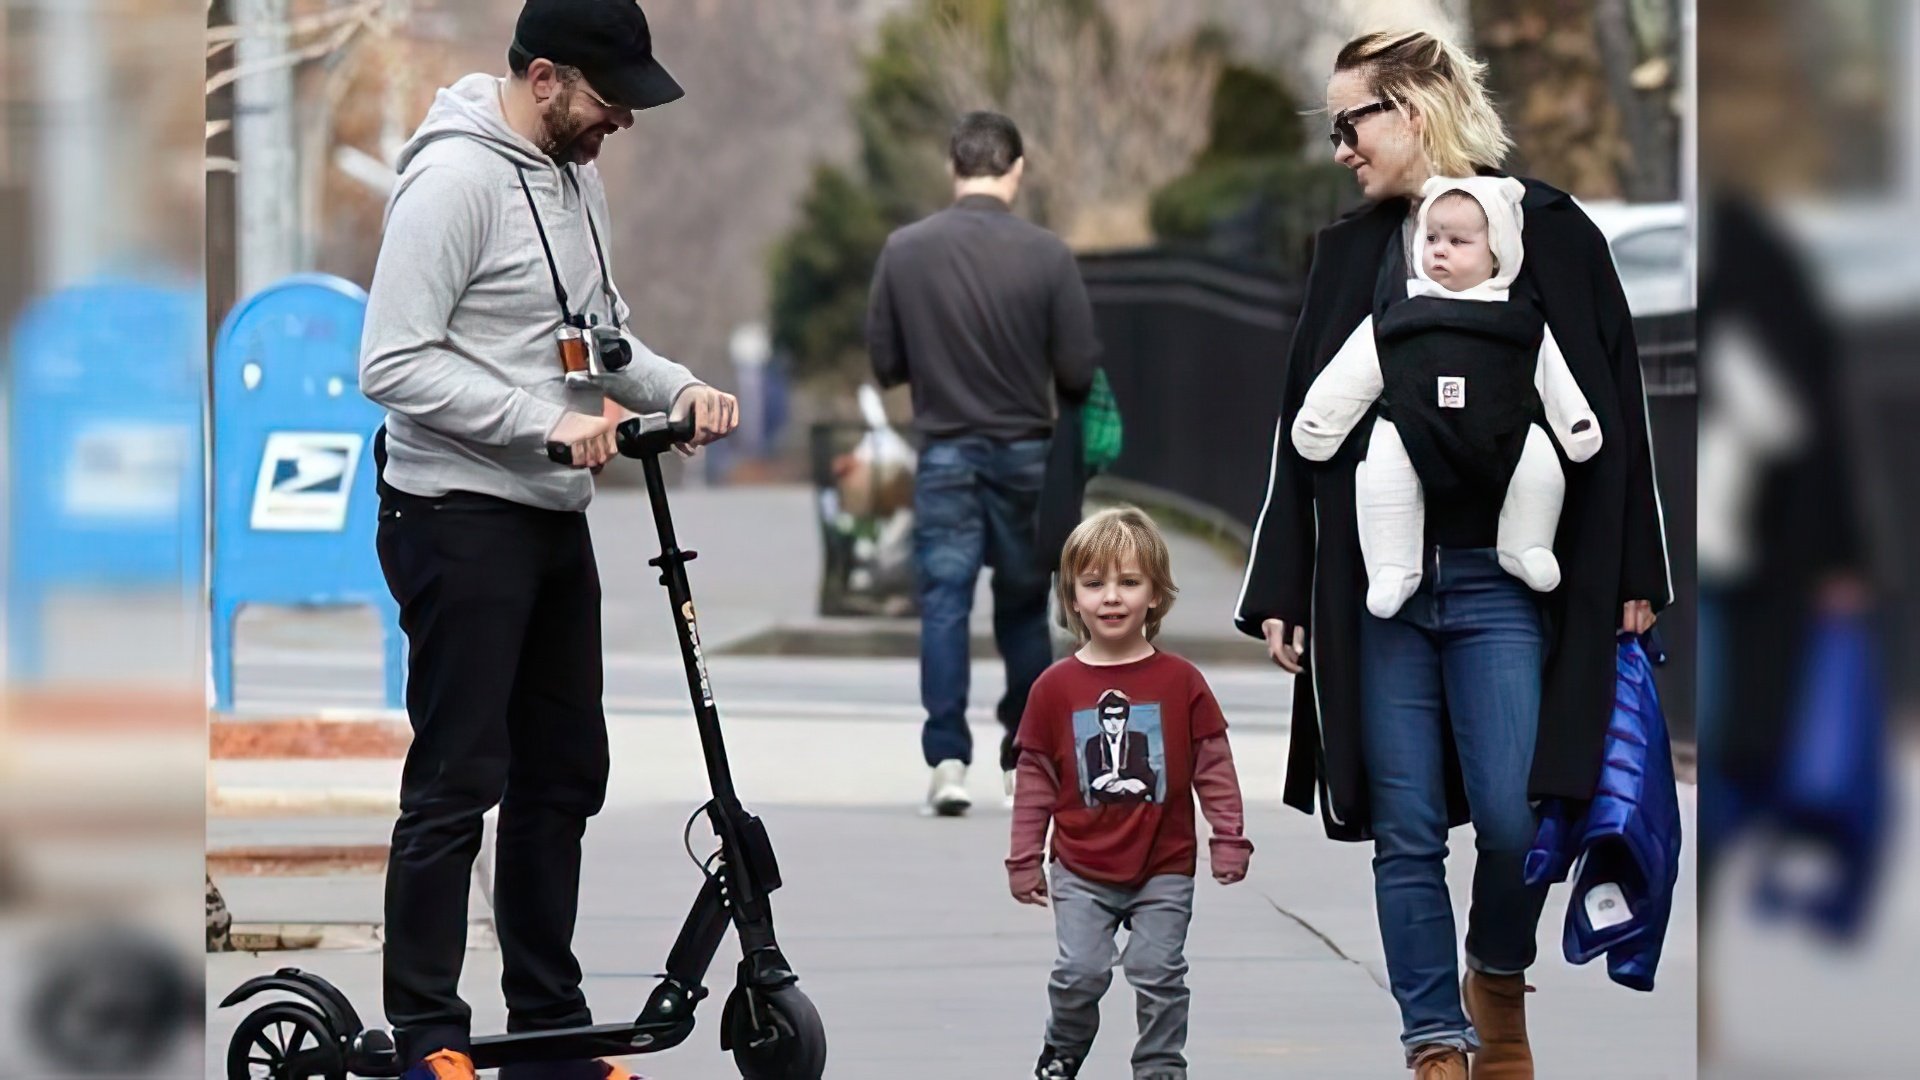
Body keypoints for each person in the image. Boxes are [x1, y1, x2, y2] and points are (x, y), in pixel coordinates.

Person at [1233, 30, 1671, 1080]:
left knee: (1521, 813)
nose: (1340, 147)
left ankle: (1496, 977)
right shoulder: (1349, 254)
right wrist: (1285, 583)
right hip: (1379, 593)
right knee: (1407, 824)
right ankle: (1434, 1040)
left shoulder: (1553, 233)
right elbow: (1304, 426)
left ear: (1415, 112)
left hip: (1506, 583)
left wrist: (1636, 574)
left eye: (1352, 123)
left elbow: (1612, 409)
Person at [357, 3, 738, 1077]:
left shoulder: (576, 177)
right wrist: (544, 421)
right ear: (544, 78)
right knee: (458, 776)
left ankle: (547, 1032)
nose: (623, 115)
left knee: (564, 773)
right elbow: (390, 361)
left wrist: (682, 387)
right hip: (454, 510)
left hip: (548, 515)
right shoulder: (454, 184)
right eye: (608, 95)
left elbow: (596, 335)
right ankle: (429, 1032)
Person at [866, 110, 1100, 816]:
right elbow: (1080, 370)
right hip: (1027, 452)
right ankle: (1020, 756)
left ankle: (946, 758)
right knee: (1024, 609)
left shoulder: (905, 251)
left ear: (952, 167)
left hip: (944, 451)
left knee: (942, 604)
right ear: (1017, 170)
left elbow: (885, 363)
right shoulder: (1049, 255)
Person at [1008, 507, 1253, 1080]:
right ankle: (1064, 1045)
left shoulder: (1181, 681)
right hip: (1080, 867)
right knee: (1080, 972)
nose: (1111, 598)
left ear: (1156, 594)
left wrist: (1229, 836)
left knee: (1159, 970)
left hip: (1163, 864)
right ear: (1072, 597)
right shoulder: (1054, 687)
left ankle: (1161, 1066)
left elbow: (1213, 765)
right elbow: (1035, 781)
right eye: (1094, 585)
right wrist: (1023, 858)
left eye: (1128, 582)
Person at [1290, 175, 1603, 617]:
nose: (1440, 249)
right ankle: (1393, 566)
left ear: (1498, 252)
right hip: (1410, 429)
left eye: (1460, 241)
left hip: (1505, 433)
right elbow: (1355, 368)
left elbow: (1552, 375)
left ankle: (1526, 544)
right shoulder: (1400, 317)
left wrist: (1576, 423)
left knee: (1540, 466)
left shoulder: (1520, 322)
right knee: (1383, 473)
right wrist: (1321, 419)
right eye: (1433, 237)